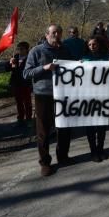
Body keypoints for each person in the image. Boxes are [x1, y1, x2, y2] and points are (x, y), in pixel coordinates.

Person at [24, 24, 74, 177]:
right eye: (53, 33)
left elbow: (73, 68)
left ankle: (63, 156)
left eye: (59, 32)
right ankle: (45, 163)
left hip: (63, 94)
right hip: (43, 96)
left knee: (64, 128)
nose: (57, 35)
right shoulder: (36, 51)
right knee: (44, 131)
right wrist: (44, 68)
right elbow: (26, 73)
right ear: (46, 35)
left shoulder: (65, 50)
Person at [82, 36, 109, 161]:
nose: (92, 47)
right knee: (91, 126)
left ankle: (100, 149)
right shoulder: (84, 59)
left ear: (98, 45)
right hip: (88, 97)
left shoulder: (106, 58)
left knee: (101, 125)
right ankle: (93, 151)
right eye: (90, 45)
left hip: (102, 95)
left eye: (94, 44)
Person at [6, 41, 32, 124]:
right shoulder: (15, 57)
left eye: (22, 49)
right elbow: (7, 68)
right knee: (19, 102)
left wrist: (16, 67)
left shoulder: (29, 58)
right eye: (18, 48)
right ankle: (20, 118)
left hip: (25, 83)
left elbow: (28, 71)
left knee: (27, 102)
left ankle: (28, 118)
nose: (19, 50)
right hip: (16, 83)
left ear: (26, 49)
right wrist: (10, 63)